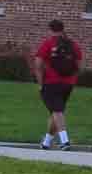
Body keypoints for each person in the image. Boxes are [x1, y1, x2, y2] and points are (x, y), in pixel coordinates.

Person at [33, 20, 82, 150]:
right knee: (55, 113)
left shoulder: (48, 44)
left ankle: (65, 141)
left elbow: (37, 65)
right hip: (68, 84)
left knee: (57, 111)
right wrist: (72, 79)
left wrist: (40, 84)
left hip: (51, 83)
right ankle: (46, 143)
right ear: (62, 29)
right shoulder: (73, 45)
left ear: (50, 30)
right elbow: (79, 65)